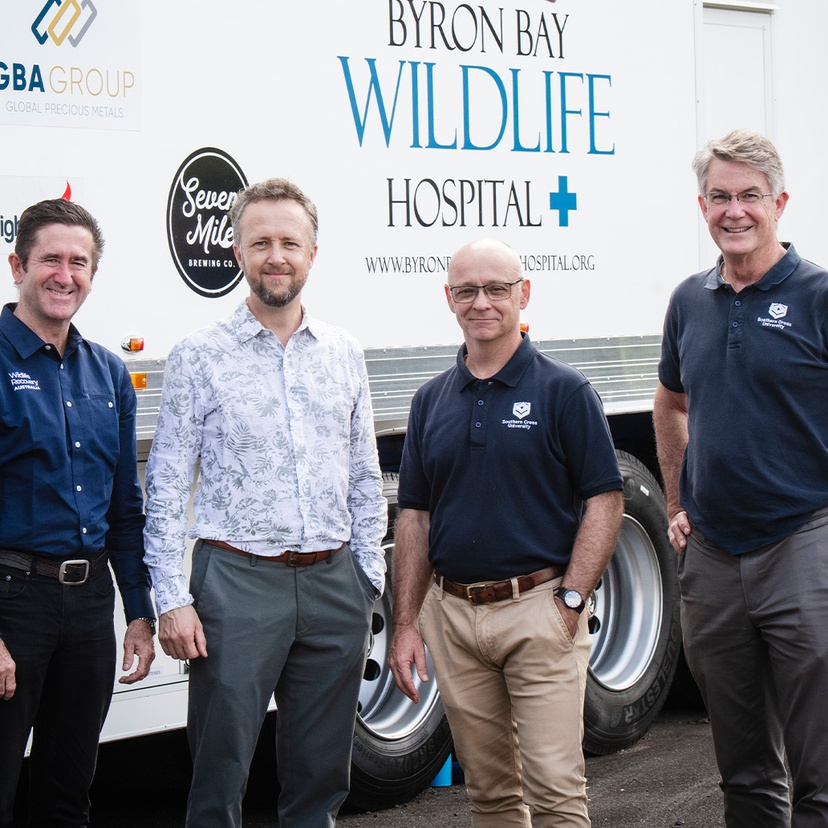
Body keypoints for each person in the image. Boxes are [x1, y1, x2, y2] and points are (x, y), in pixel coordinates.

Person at [143, 178, 387, 828]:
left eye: (289, 242)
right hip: (236, 587)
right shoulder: (199, 357)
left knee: (320, 780)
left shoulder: (344, 354)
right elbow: (164, 488)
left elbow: (366, 476)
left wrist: (367, 578)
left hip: (335, 586)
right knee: (219, 778)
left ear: (312, 252)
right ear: (237, 252)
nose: (275, 255)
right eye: (261, 243)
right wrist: (171, 598)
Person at [388, 239, 624, 827]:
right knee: (489, 796)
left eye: (497, 288)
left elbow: (605, 500)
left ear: (524, 293)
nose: (482, 302)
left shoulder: (564, 391)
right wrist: (407, 624)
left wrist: (570, 601)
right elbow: (414, 517)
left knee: (556, 796)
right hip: (455, 619)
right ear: (448, 298)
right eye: (466, 290)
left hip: (538, 613)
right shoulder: (430, 401)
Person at [653, 128, 828, 827]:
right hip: (715, 556)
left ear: (779, 202)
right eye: (720, 197)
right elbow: (670, 401)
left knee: (819, 769)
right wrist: (673, 500)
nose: (735, 211)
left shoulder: (817, 294)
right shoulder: (689, 301)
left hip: (803, 540)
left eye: (750, 196)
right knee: (743, 769)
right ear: (703, 207)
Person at [0, 198, 155, 828]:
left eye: (79, 262)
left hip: (89, 604)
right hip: (12, 602)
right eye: (50, 260)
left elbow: (125, 508)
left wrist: (139, 612)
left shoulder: (109, 373)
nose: (65, 275)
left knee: (69, 794)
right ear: (18, 265)